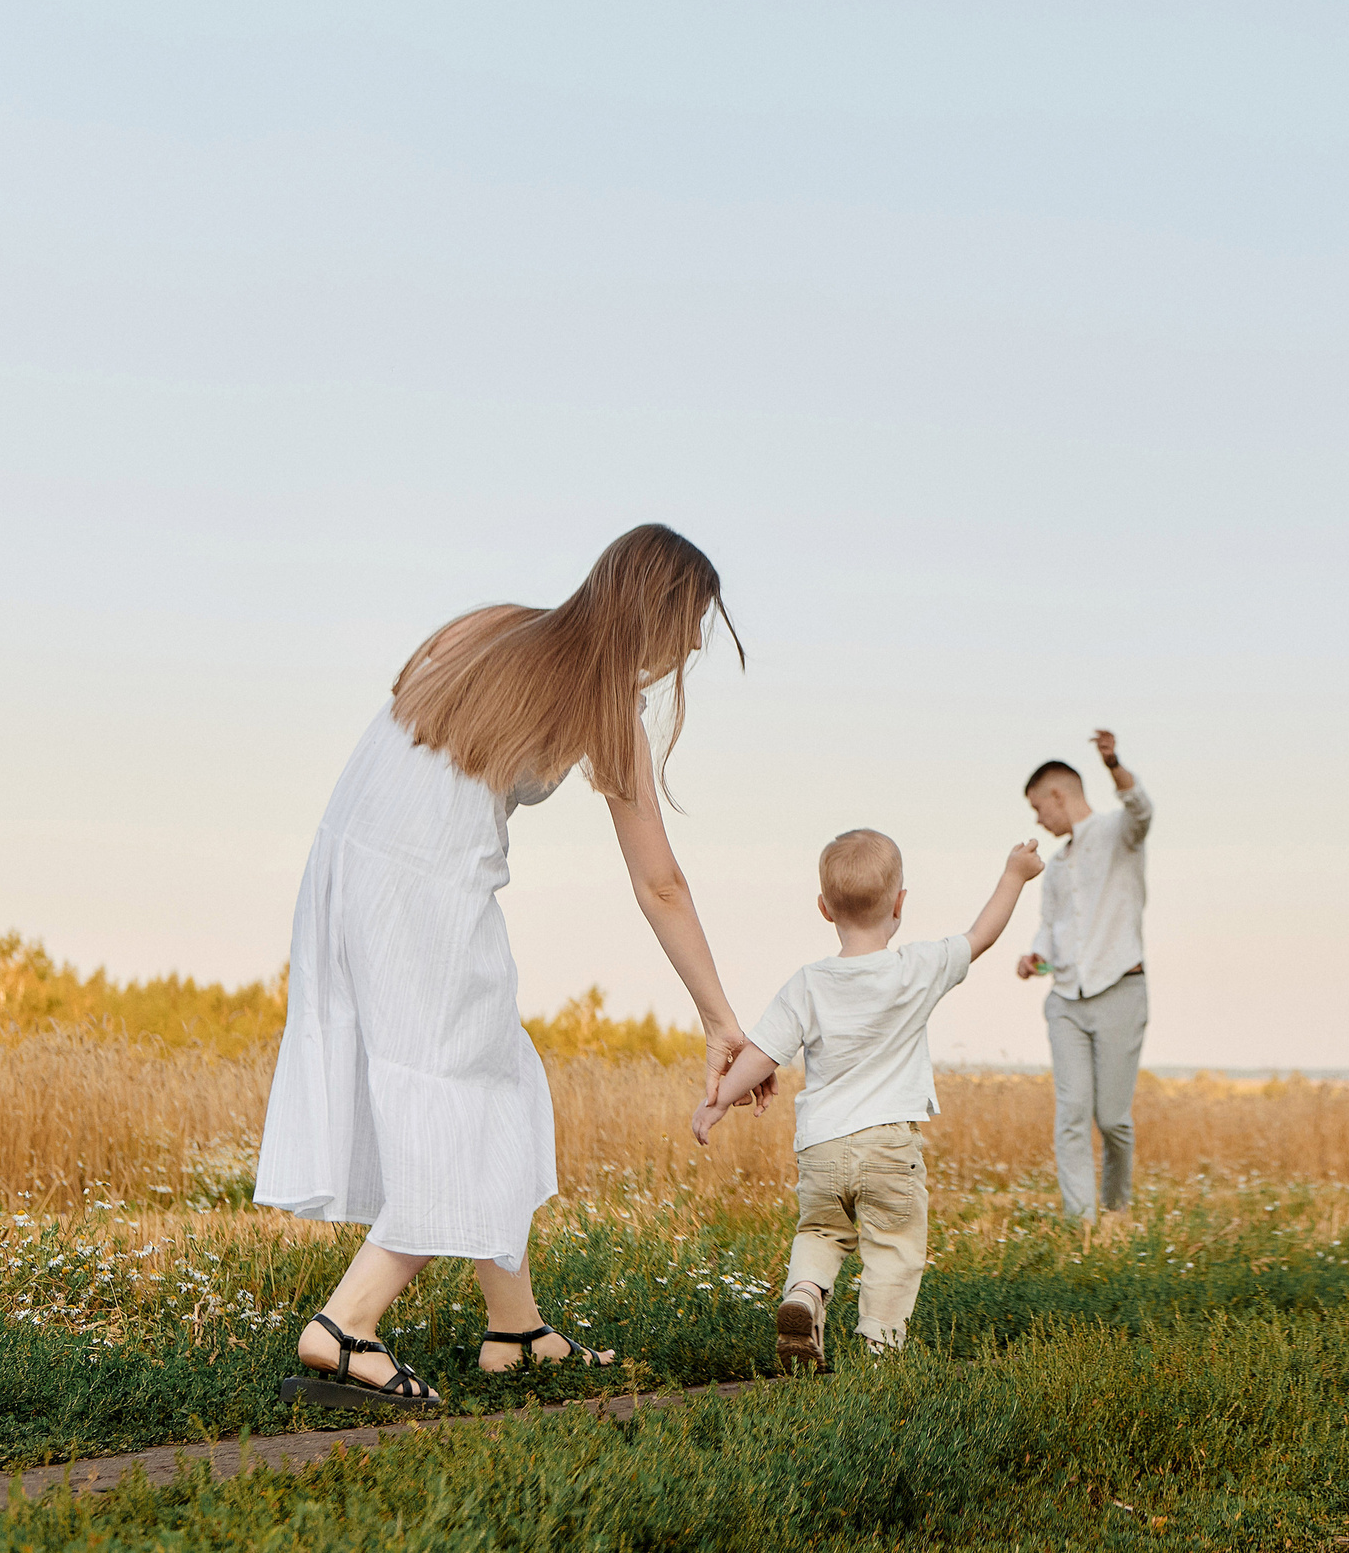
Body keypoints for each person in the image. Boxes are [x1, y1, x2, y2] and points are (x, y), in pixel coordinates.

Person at [254, 524, 765, 1408]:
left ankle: (517, 1330)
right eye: (692, 624)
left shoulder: (491, 627)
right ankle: (344, 1326)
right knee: (477, 1117)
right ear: (660, 613)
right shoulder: (607, 700)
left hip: (348, 864)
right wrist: (722, 1019)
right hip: (426, 891)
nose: (692, 647)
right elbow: (662, 881)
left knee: (502, 1088)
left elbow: (405, 707)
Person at [694, 830, 1043, 1371]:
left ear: (823, 908)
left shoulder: (808, 983)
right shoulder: (916, 968)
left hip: (823, 1148)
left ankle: (805, 1294)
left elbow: (764, 1052)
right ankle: (881, 1354)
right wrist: (1014, 874)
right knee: (894, 1248)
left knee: (820, 1231)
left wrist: (718, 1102)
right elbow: (982, 935)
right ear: (900, 902)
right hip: (889, 1146)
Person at [1016, 729, 1153, 1220]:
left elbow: (1142, 809)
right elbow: (1051, 930)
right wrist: (1035, 958)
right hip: (1066, 1001)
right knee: (1072, 1114)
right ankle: (1083, 1224)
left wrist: (1114, 763)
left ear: (1057, 794)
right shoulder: (1054, 867)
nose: (1038, 819)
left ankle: (1116, 1212)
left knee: (1112, 1119)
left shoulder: (1120, 833)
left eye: (1038, 808)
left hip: (1121, 991)